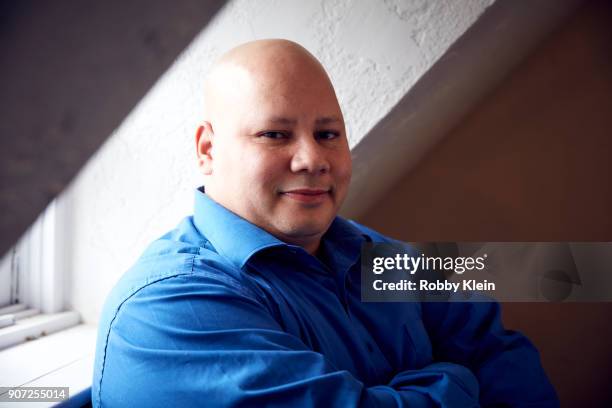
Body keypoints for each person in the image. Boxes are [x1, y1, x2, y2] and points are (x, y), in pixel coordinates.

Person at [92, 39, 558, 407]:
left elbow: (503, 356)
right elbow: (477, 368)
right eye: (275, 134)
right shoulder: (168, 310)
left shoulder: (386, 257)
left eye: (328, 134)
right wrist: (455, 379)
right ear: (207, 150)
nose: (313, 158)